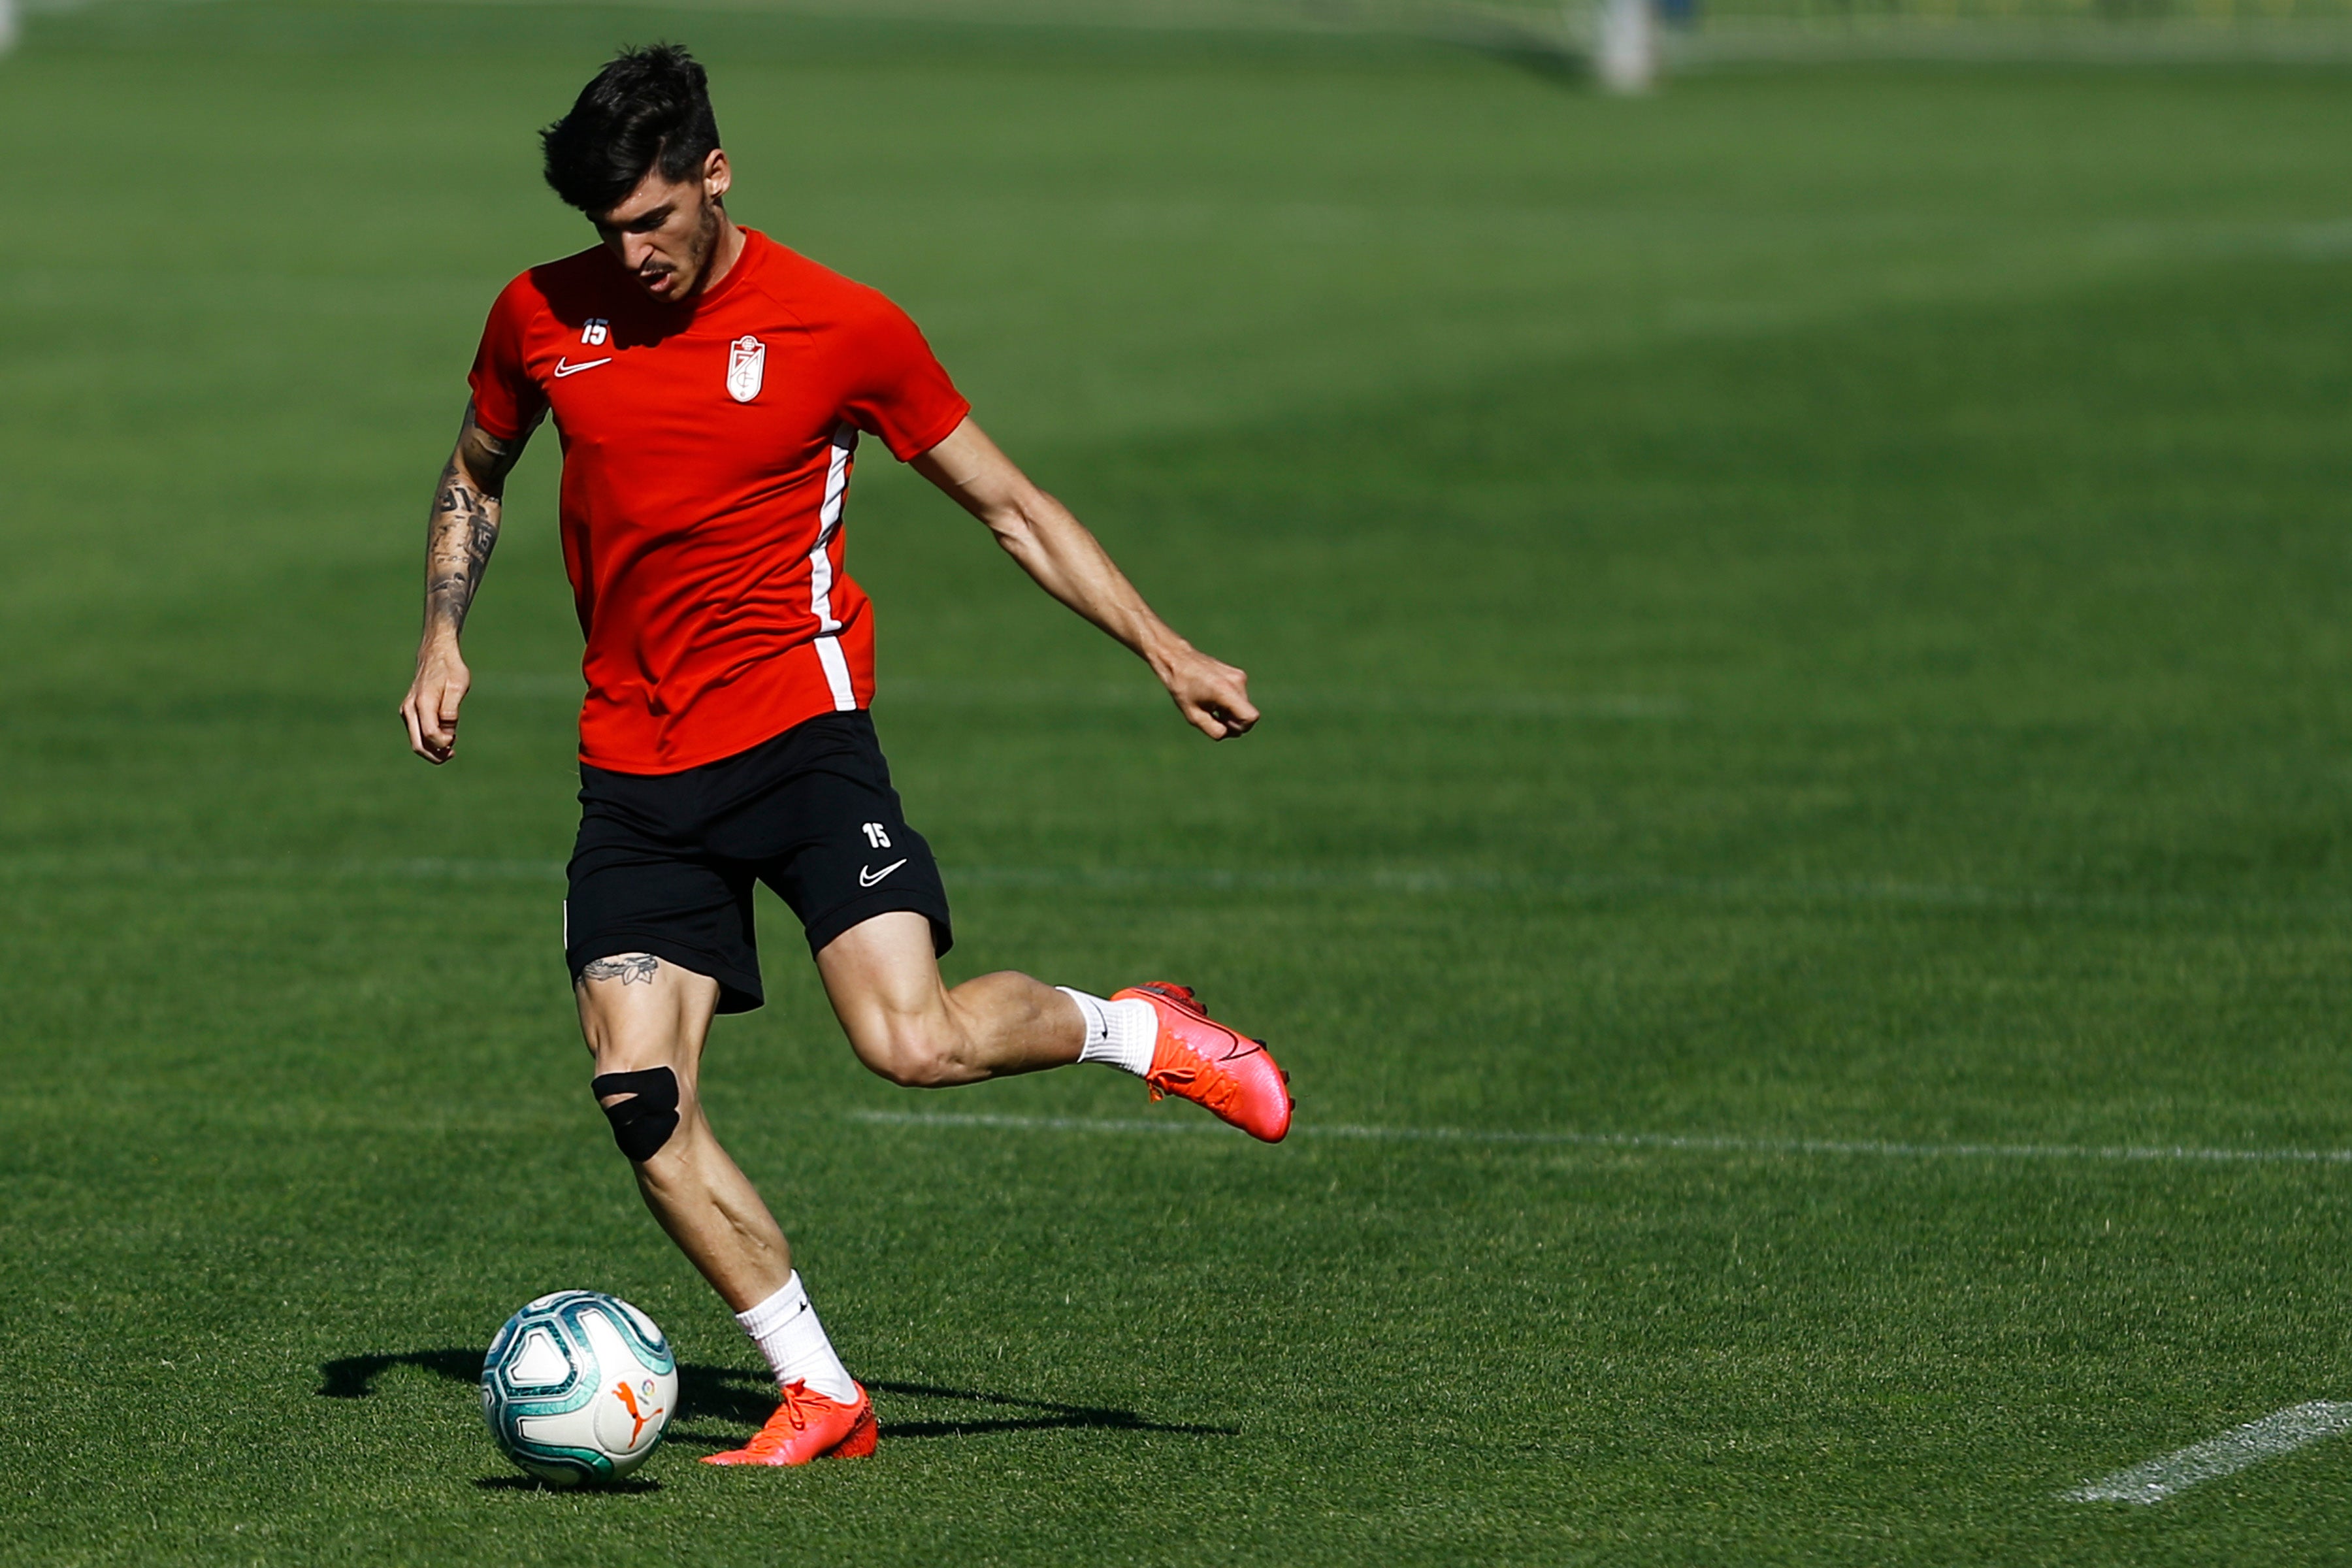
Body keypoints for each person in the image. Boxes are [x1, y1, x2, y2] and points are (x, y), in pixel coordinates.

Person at [397, 43, 1291, 1468]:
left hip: (800, 739)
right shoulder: (538, 316)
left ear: (715, 172)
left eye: (653, 221)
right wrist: (444, 632)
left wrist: (1164, 646)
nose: (630, 256)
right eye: (605, 231)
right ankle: (821, 1391)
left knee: (912, 1044)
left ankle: (1138, 1029)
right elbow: (475, 471)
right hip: (634, 771)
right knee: (643, 1106)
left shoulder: (840, 326)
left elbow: (1011, 505)